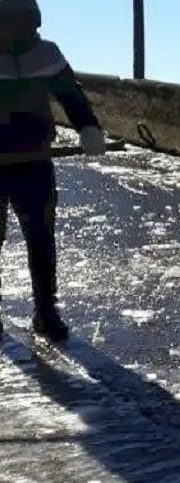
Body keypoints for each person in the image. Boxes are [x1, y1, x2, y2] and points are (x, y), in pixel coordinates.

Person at [1, 0, 106, 341]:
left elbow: (71, 95)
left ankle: (45, 311)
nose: (24, 32)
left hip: (34, 161)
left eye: (28, 24)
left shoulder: (45, 53)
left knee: (41, 238)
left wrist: (88, 127)